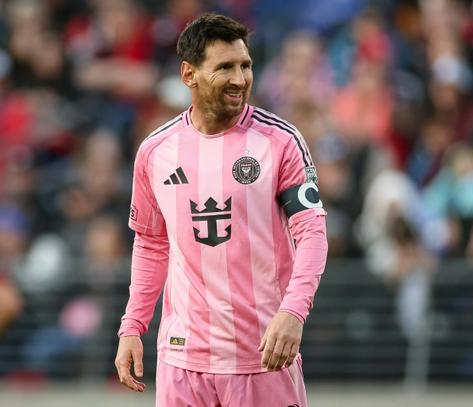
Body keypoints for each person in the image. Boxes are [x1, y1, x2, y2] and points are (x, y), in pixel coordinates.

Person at [114, 13, 328, 407]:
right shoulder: (155, 152)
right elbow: (151, 243)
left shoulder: (280, 141)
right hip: (182, 359)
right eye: (225, 67)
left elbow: (312, 233)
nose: (240, 79)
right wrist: (132, 326)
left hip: (263, 355)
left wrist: (293, 312)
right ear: (189, 74)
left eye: (246, 66)